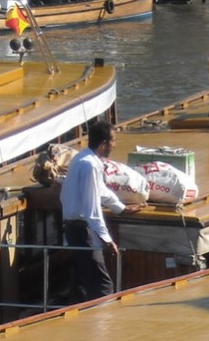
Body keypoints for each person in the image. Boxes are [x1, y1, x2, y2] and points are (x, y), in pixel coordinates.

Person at [59, 121, 143, 302]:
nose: (115, 145)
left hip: (72, 229)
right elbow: (92, 208)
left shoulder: (81, 158)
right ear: (104, 143)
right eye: (113, 141)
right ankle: (104, 327)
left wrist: (121, 208)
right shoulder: (91, 166)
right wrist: (107, 239)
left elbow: (101, 191)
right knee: (103, 286)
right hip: (83, 232)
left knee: (81, 283)